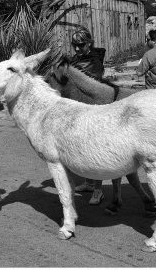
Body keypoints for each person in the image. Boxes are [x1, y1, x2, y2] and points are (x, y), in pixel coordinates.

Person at [67, 26, 106, 205]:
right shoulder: (77, 58)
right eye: (74, 45)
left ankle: (98, 189)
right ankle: (89, 183)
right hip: (79, 110)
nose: (76, 48)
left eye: (80, 45)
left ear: (89, 43)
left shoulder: (95, 62)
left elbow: (93, 86)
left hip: (94, 110)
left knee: (97, 151)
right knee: (85, 151)